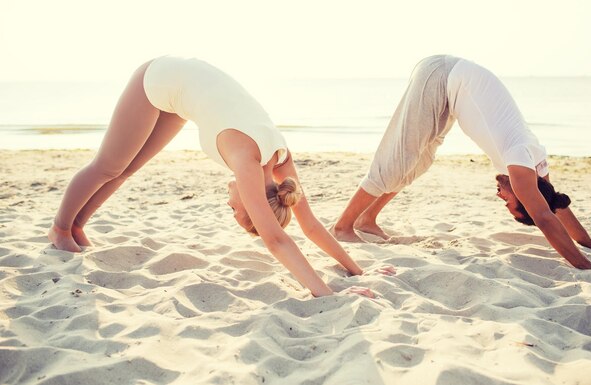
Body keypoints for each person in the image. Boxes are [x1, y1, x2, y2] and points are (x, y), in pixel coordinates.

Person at [48, 55, 395, 297]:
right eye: (236, 211)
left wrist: (358, 271)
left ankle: (79, 224)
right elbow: (279, 239)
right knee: (109, 165)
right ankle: (61, 227)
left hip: (182, 91)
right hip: (158, 78)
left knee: (127, 169)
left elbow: (312, 226)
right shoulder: (247, 163)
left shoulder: (280, 160)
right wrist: (328, 293)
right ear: (252, 202)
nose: (229, 206)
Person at [331, 55, 591, 270]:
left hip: (448, 84)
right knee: (399, 159)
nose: (500, 197)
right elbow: (546, 218)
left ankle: (366, 220)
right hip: (441, 76)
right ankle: (344, 226)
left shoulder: (534, 161)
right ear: (523, 194)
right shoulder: (520, 160)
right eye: (509, 203)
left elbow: (556, 206)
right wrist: (590, 267)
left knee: (418, 162)